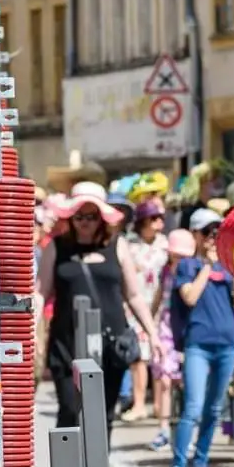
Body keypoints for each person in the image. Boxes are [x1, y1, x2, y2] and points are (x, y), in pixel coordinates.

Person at [162, 208, 234, 467]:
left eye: (217, 231)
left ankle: (201, 463)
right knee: (193, 407)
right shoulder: (188, 266)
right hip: (198, 344)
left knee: (214, 409)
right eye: (208, 232)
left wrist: (229, 266)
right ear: (196, 235)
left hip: (226, 345)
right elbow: (189, 297)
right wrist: (208, 266)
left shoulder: (228, 265)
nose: (213, 237)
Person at [41, 181, 132, 428]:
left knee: (103, 417)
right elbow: (41, 292)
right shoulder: (56, 248)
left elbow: (133, 296)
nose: (85, 222)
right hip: (66, 341)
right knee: (70, 410)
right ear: (70, 217)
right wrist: (27, 329)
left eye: (92, 216)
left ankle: (102, 466)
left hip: (110, 341)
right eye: (79, 215)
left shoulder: (118, 245)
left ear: (102, 218)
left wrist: (153, 335)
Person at [118, 199, 170, 421]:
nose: (158, 222)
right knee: (137, 356)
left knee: (160, 357)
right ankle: (139, 404)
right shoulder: (129, 245)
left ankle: (160, 406)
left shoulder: (166, 245)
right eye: (153, 218)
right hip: (135, 308)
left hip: (162, 306)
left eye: (161, 218)